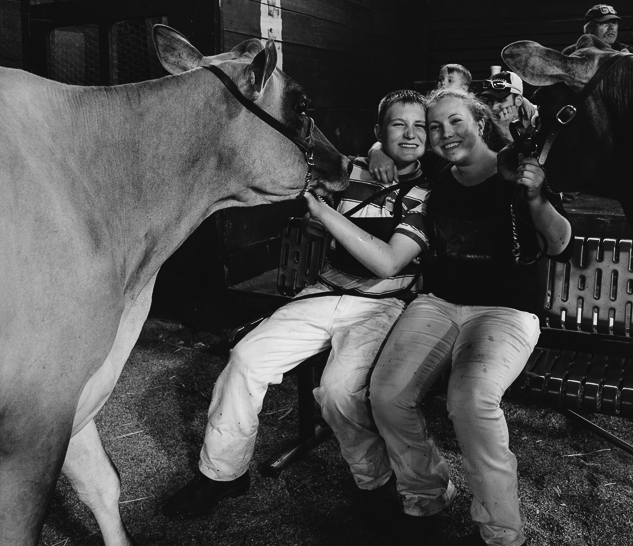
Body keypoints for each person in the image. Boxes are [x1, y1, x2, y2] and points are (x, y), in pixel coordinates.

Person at [162, 90, 433, 519]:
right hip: (324, 292)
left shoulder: (429, 191)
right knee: (246, 358)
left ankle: (374, 482)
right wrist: (319, 221)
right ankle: (222, 474)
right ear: (379, 131)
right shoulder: (351, 172)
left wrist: (324, 215)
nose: (411, 134)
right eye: (399, 124)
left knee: (340, 392)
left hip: (381, 305)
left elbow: (387, 265)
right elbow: (316, 226)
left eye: (420, 125)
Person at [337, 88, 574, 546]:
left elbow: (560, 243)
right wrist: (371, 149)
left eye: (456, 122)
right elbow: (385, 148)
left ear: (480, 123)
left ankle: (502, 529)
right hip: (439, 303)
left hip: (506, 311)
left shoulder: (518, 171)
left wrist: (537, 196)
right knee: (386, 395)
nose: (446, 134)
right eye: (436, 127)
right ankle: (425, 491)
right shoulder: (437, 180)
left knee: (470, 401)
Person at [478, 70, 538, 143]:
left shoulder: (537, 118)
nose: (494, 107)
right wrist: (502, 128)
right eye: (490, 101)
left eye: (501, 100)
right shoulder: (483, 120)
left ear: (518, 100)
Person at [561, 4, 633, 58]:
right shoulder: (571, 53)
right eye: (605, 22)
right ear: (589, 29)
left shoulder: (629, 52)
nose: (611, 27)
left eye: (614, 23)